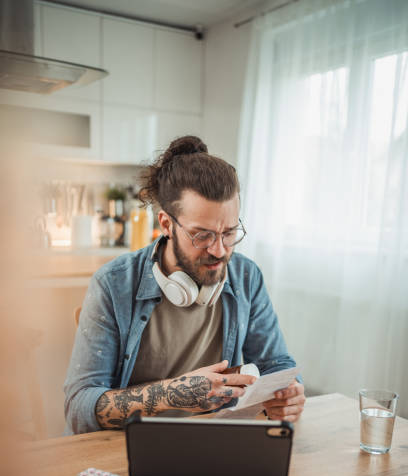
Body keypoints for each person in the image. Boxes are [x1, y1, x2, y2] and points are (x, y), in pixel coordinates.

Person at [64, 136, 305, 434]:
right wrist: (172, 394)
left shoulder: (246, 277)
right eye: (202, 235)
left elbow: (276, 364)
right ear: (166, 224)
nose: (219, 250)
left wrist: (288, 393)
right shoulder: (114, 284)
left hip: (211, 442)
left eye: (229, 233)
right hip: (127, 447)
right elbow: (79, 408)